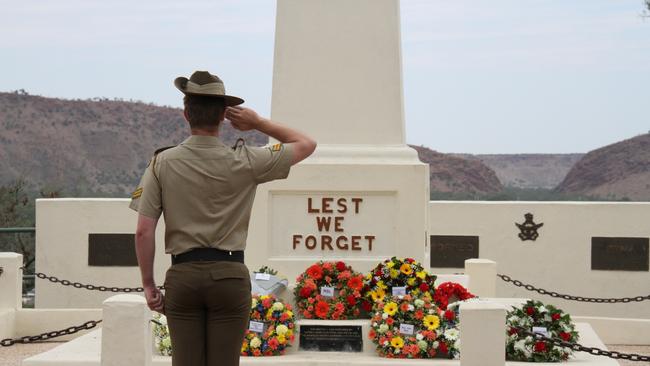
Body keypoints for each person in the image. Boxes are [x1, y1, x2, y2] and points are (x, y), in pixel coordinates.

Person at [129, 70, 316, 366]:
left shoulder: (161, 162)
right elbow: (306, 143)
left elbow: (143, 231)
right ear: (222, 118)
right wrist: (258, 124)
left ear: (186, 114)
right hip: (230, 275)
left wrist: (149, 284)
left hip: (184, 276)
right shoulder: (247, 160)